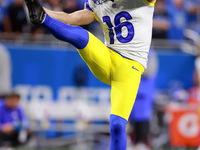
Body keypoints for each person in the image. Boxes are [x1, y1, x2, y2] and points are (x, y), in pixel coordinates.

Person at [24, 0, 156, 149]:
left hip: (129, 67)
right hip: (107, 58)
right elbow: (71, 19)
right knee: (81, 36)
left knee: (117, 125)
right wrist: (43, 12)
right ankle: (43, 20)